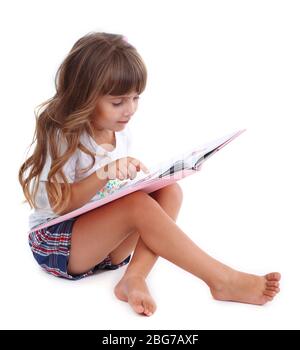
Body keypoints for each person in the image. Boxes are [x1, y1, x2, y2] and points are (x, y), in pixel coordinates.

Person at [19, 32, 281, 317]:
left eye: (135, 98)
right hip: (57, 243)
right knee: (136, 205)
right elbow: (60, 206)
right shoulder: (64, 137)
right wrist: (106, 174)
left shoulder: (120, 133)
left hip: (104, 247)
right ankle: (221, 280)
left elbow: (109, 200)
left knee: (170, 191)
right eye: (118, 102)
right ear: (85, 97)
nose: (129, 110)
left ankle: (134, 277)